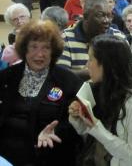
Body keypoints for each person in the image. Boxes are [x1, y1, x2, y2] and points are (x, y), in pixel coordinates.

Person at [0, 20, 82, 166]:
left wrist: (56, 132)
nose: (40, 54)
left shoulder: (68, 81)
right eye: (34, 47)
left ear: (54, 50)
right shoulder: (6, 77)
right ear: (24, 49)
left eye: (46, 48)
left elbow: (77, 122)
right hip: (6, 157)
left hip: (48, 157)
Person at [69, 34, 132, 165]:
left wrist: (97, 128)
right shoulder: (99, 90)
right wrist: (79, 118)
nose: (87, 65)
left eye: (91, 59)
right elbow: (90, 136)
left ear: (107, 64)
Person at [57, 0, 126, 78]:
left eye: (109, 16)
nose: (106, 20)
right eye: (100, 15)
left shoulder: (118, 37)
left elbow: (127, 71)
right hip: (78, 89)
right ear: (85, 17)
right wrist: (94, 72)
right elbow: (61, 75)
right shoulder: (65, 37)